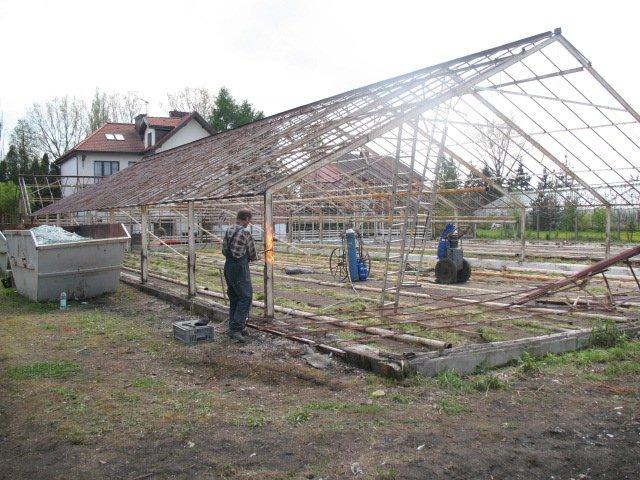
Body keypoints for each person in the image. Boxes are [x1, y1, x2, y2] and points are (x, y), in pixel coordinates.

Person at [222, 208, 258, 343]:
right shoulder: (245, 233)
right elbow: (253, 254)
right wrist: (252, 258)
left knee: (234, 297)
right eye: (249, 220)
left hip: (228, 266)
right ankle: (236, 329)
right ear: (247, 219)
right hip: (239, 268)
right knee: (245, 297)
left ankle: (235, 325)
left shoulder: (229, 230)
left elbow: (224, 250)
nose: (249, 223)